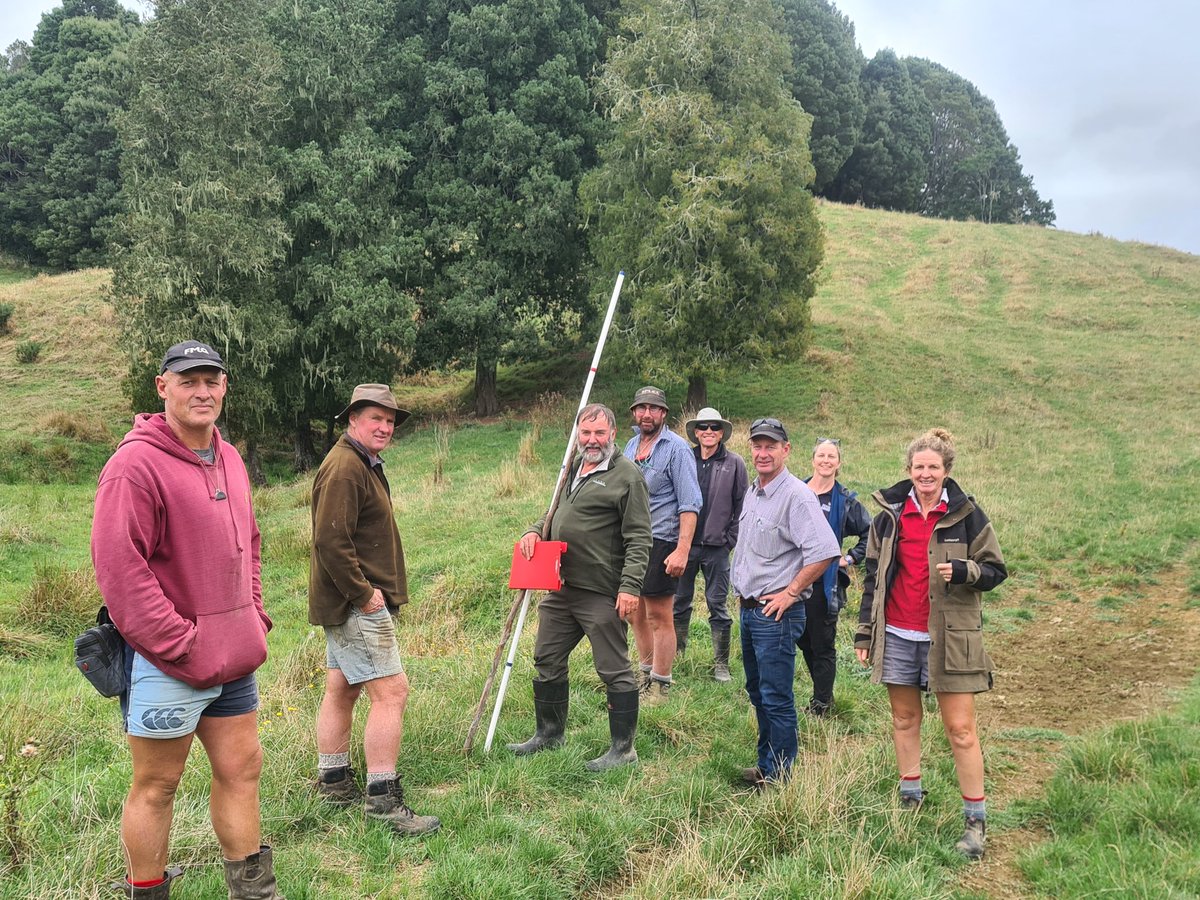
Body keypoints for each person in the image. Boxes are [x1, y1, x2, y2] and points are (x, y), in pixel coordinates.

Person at [91, 340, 283, 899]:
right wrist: (182, 644)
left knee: (242, 770)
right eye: (189, 380)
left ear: (224, 386)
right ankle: (147, 893)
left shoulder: (229, 455)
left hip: (233, 656)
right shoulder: (133, 466)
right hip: (165, 663)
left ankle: (254, 891)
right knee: (157, 785)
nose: (203, 391)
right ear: (162, 387)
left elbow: (249, 541)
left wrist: (253, 618)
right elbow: (121, 571)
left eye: (212, 380)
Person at [854, 428, 1007, 860]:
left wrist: (965, 572)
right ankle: (910, 796)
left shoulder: (968, 515)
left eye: (933, 467)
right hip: (899, 632)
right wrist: (866, 632)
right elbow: (873, 578)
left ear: (946, 471)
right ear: (909, 470)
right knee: (904, 720)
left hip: (951, 638)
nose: (925, 473)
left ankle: (975, 819)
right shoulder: (887, 516)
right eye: (919, 467)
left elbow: (995, 570)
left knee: (960, 730)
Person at [309, 384, 439, 836]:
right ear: (353, 420)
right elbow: (330, 540)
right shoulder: (346, 467)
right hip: (355, 604)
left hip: (346, 602)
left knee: (341, 688)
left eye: (389, 420)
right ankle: (383, 799)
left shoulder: (359, 461)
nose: (384, 427)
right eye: (375, 419)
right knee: (392, 692)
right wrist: (363, 594)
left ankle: (333, 780)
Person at [509, 403, 652, 771]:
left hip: (601, 591)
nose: (591, 440)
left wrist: (630, 587)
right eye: (585, 433)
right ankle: (549, 734)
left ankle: (623, 750)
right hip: (561, 587)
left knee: (613, 669)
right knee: (547, 658)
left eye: (599, 434)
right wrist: (534, 529)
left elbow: (639, 538)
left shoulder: (627, 476)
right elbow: (555, 510)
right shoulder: (572, 465)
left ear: (613, 434)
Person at [731, 418, 840, 787]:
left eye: (771, 446)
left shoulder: (796, 495)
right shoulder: (754, 491)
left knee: (776, 696)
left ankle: (779, 775)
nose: (763, 453)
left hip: (775, 614)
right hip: (749, 610)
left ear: (786, 449)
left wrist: (792, 591)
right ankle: (766, 764)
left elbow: (825, 551)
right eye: (757, 446)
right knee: (757, 690)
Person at [622, 386, 703, 704]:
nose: (646, 414)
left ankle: (661, 686)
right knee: (635, 613)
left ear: (664, 414)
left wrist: (682, 549)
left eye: (653, 409)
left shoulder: (677, 449)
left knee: (659, 615)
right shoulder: (630, 445)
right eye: (641, 408)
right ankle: (644, 677)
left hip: (662, 540)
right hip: (632, 543)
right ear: (634, 413)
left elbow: (690, 503)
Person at [672, 407, 748, 682]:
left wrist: (730, 539)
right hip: (685, 545)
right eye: (703, 427)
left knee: (718, 604)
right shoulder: (684, 458)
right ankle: (678, 655)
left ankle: (721, 665)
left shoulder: (735, 463)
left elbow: (743, 504)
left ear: (721, 433)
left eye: (714, 427)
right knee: (679, 602)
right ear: (695, 432)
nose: (708, 432)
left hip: (717, 547)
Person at [797, 438, 871, 715]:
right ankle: (821, 695)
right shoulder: (797, 491)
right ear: (813, 459)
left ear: (839, 463)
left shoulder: (845, 501)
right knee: (802, 639)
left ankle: (822, 704)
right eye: (821, 455)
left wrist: (849, 557)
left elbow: (871, 533)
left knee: (822, 643)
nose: (826, 460)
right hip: (791, 579)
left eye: (832, 456)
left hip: (825, 584)